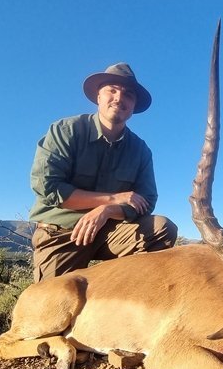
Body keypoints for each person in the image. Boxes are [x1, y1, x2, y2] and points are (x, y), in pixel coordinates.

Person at [28, 63, 178, 282]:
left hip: (110, 233)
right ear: (98, 97)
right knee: (50, 306)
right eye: (112, 90)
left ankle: (125, 293)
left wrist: (107, 211)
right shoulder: (66, 130)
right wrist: (112, 199)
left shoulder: (140, 150)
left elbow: (146, 200)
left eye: (128, 94)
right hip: (61, 233)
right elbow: (48, 188)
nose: (119, 98)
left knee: (162, 228)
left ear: (133, 105)